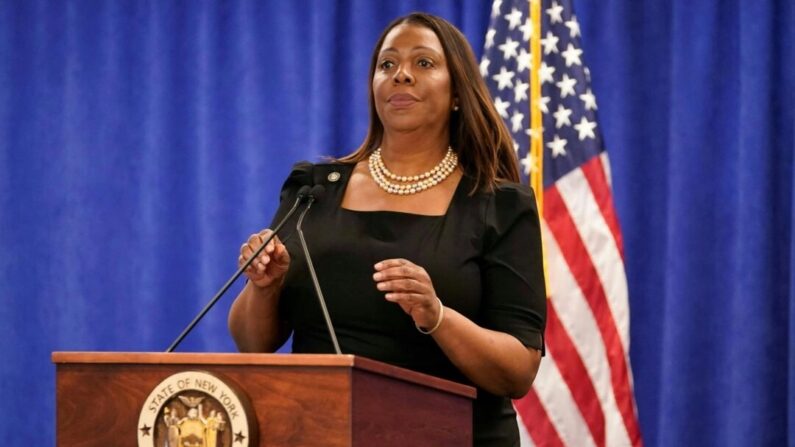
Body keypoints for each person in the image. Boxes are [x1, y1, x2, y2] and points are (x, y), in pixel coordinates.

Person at [228, 12, 546, 446]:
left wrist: (437, 317)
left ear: (457, 94)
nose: (401, 76)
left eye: (424, 64)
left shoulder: (499, 205)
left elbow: (518, 371)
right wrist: (264, 286)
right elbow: (253, 345)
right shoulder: (313, 191)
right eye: (387, 65)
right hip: (317, 432)